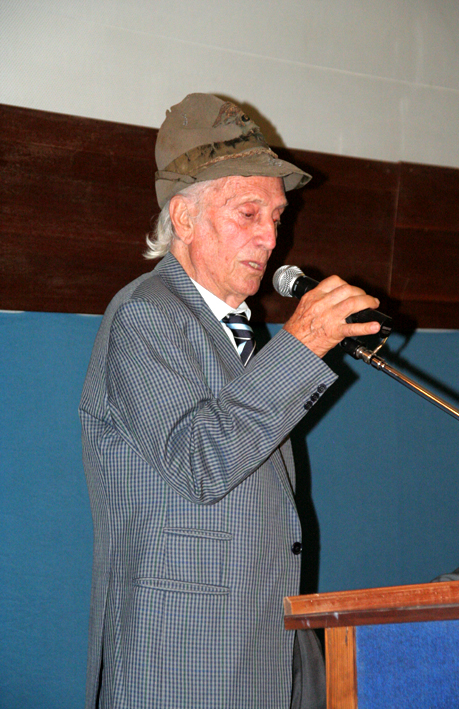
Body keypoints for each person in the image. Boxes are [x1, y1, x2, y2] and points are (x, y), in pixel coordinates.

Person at [80, 93, 381, 709]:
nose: (272, 237)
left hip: (269, 652)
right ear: (185, 218)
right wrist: (303, 344)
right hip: (183, 665)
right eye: (249, 213)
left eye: (277, 216)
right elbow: (202, 462)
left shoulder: (239, 334)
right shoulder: (146, 315)